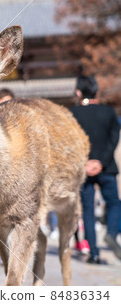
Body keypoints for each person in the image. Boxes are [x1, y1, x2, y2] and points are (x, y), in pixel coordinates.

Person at [70, 75, 121, 264]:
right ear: (97, 91)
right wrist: (100, 161)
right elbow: (114, 139)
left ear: (77, 92)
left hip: (84, 170)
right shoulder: (108, 112)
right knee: (114, 203)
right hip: (106, 167)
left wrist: (85, 162)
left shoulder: (72, 113)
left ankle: (94, 253)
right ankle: (112, 233)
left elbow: (70, 143)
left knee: (88, 211)